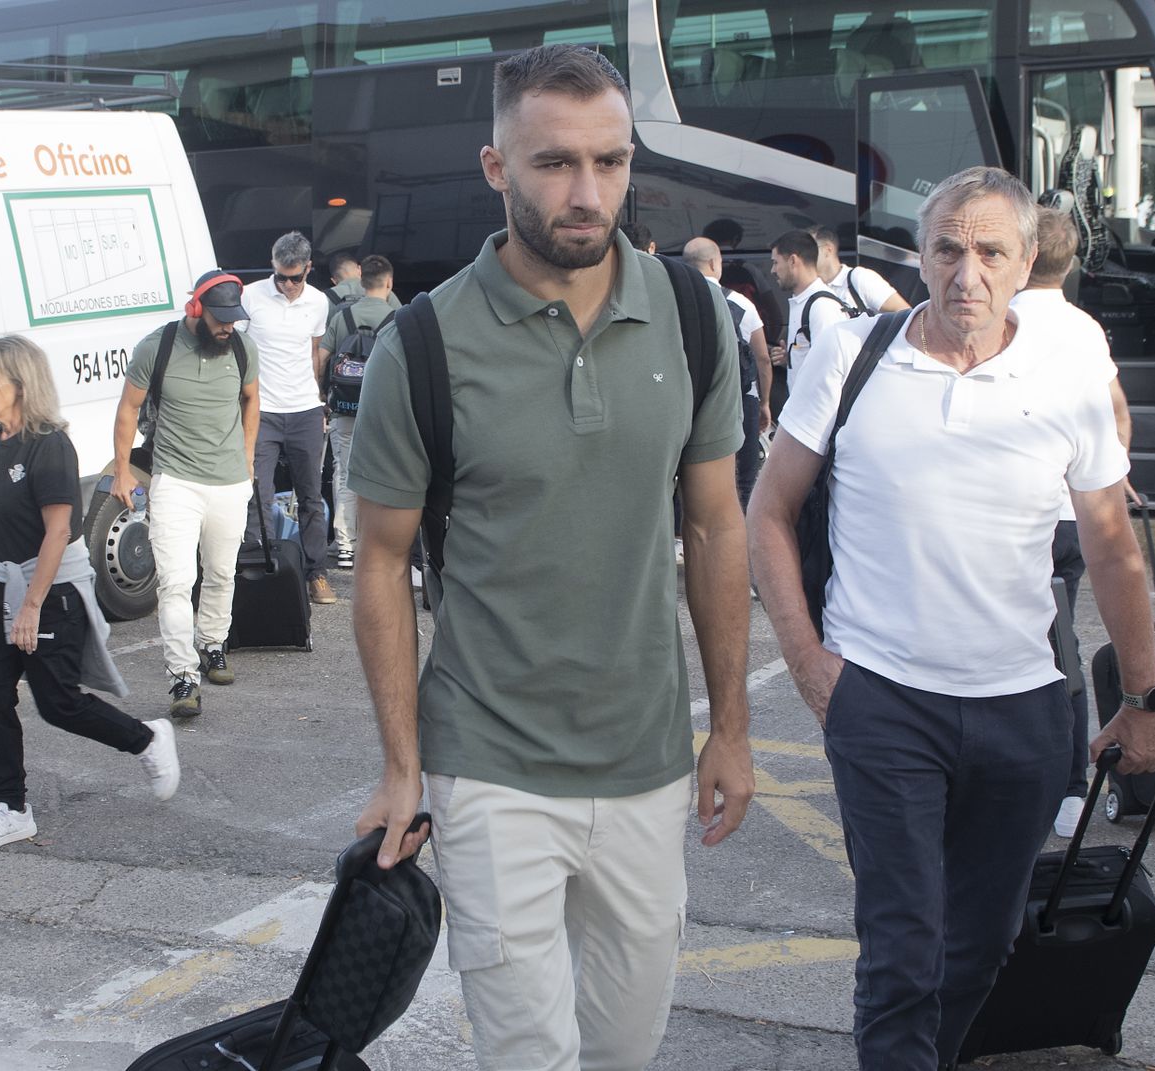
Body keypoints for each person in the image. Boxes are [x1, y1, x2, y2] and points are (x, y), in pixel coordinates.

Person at [348, 44, 754, 1071]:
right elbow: (381, 563)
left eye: (609, 163)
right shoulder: (424, 345)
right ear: (496, 168)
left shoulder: (693, 315)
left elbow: (713, 528)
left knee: (625, 1047)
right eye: (553, 164)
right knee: (527, 1055)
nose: (587, 193)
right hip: (488, 769)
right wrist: (403, 768)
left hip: (649, 761)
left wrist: (733, 732)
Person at [746, 166, 1155, 1070]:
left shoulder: (1066, 374)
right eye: (947, 248)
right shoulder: (853, 353)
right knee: (903, 953)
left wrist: (1144, 696)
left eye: (989, 252)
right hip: (884, 704)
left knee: (980, 947)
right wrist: (809, 663)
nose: (965, 272)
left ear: (1026, 266)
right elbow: (769, 513)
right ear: (922, 254)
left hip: (1024, 711)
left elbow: (1110, 547)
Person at [0, 335, 179, 853]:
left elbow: (58, 532)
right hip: (2, 584)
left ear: (21, 385)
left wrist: (30, 604)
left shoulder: (50, 445)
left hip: (48, 592)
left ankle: (147, 738)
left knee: (58, 704)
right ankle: (10, 808)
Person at [1010, 206, 1138, 838]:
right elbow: (1117, 414)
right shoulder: (1085, 327)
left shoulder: (1001, 321)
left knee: (1014, 649)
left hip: (1022, 515)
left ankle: (1056, 785)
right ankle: (1066, 785)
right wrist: (1108, 474)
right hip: (1074, 521)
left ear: (1024, 253)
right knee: (1060, 646)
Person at [111, 271, 261, 718]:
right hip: (175, 479)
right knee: (176, 582)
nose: (228, 327)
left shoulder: (241, 347)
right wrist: (121, 470)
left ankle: (213, 643)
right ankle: (183, 676)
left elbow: (252, 399)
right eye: (220, 318)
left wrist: (249, 457)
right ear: (195, 309)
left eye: (235, 319)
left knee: (221, 573)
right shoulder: (155, 348)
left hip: (230, 481)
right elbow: (128, 407)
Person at [241, 230, 336, 605]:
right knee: (258, 495)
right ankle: (254, 569)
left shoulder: (318, 302)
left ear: (309, 269)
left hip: (304, 411)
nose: (287, 284)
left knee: (311, 496)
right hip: (262, 411)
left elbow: (314, 352)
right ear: (272, 267)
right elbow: (241, 352)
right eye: (281, 276)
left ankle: (318, 574)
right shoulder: (251, 296)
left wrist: (318, 398)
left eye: (295, 277)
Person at [317, 254, 395, 571]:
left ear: (361, 284)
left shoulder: (342, 318)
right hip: (384, 412)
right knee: (386, 475)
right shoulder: (398, 316)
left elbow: (322, 357)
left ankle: (345, 546)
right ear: (389, 283)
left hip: (345, 409)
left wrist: (322, 395)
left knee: (345, 473)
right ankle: (377, 544)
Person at [684, 235, 772, 507]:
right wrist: (765, 403)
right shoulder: (741, 304)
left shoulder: (678, 302)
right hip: (740, 398)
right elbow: (763, 359)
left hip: (691, 398)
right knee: (744, 479)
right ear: (713, 262)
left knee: (689, 476)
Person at [768, 228, 846, 394]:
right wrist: (791, 357)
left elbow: (829, 373)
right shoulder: (804, 302)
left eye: (775, 262)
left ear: (793, 261)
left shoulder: (822, 307)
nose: (772, 270)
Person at [813, 225, 910, 315]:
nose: (804, 255)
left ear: (827, 249)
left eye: (810, 249)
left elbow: (905, 314)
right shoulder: (809, 288)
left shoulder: (860, 277)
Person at [324, 249, 403, 310]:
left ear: (333, 281)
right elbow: (400, 319)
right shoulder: (381, 289)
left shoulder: (325, 298)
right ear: (359, 269)